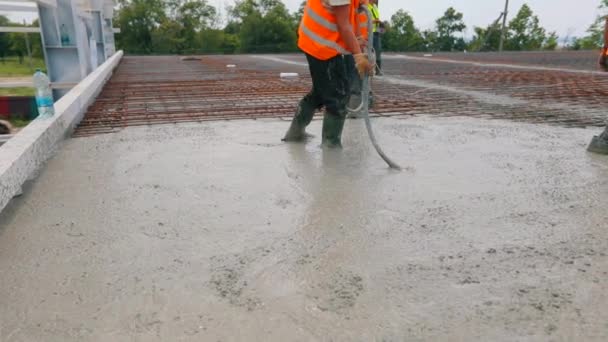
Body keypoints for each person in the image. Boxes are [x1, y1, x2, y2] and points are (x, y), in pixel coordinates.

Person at [282, 0, 372, 148]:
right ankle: (331, 146)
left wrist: (357, 38)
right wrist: (358, 56)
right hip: (320, 44)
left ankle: (295, 134)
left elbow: (351, 14)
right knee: (338, 95)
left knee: (320, 91)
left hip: (319, 40)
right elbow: (344, 25)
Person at [368, 0, 382, 75]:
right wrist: (375, 21)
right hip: (369, 32)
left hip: (376, 32)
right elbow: (365, 19)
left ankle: (377, 70)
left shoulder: (375, 7)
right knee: (369, 52)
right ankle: (371, 70)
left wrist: (379, 23)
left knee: (377, 51)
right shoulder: (367, 6)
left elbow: (377, 18)